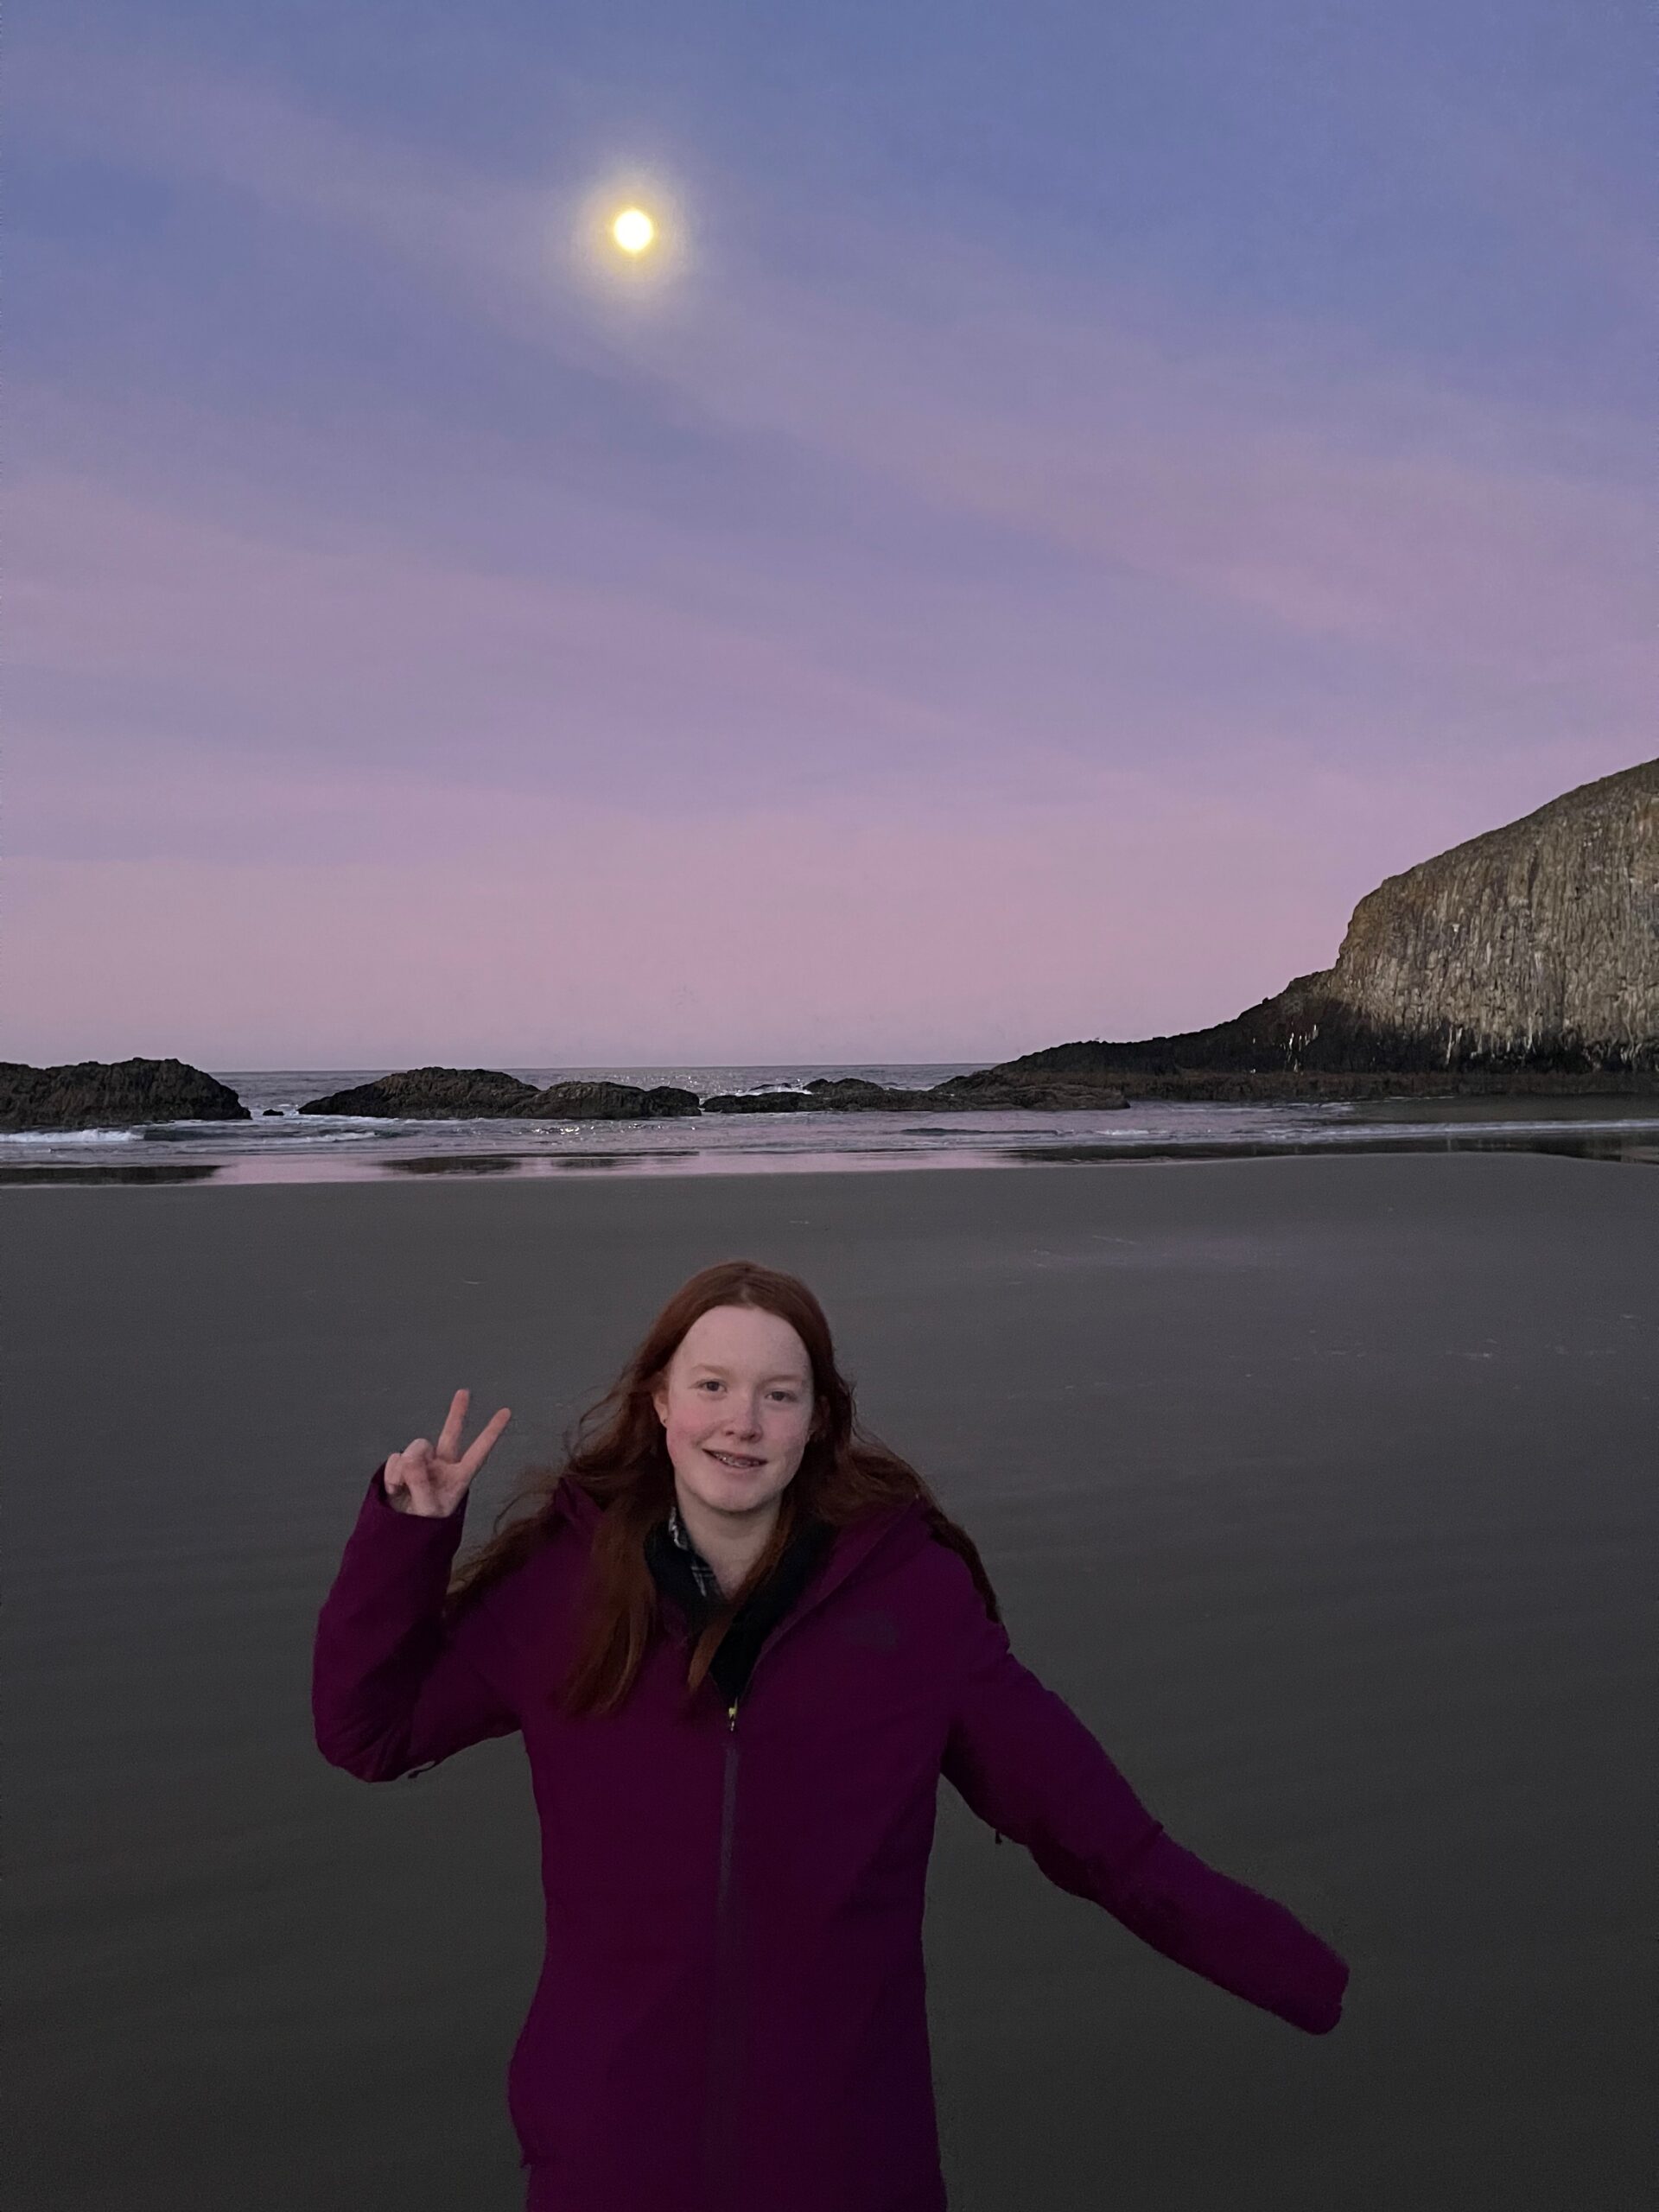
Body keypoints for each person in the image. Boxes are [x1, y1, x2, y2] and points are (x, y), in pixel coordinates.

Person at [313, 1257, 1349, 2211]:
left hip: (845, 2156)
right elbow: (371, 1729)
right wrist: (407, 1539)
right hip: (609, 2149)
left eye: (779, 1393)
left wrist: (1297, 1971)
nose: (743, 1421)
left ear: (817, 1420)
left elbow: (1097, 1835)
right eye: (712, 1385)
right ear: (661, 1401)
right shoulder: (566, 1592)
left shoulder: (915, 1604)